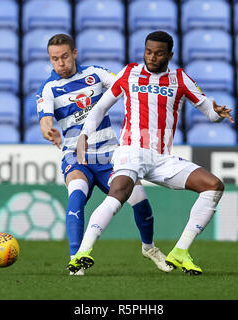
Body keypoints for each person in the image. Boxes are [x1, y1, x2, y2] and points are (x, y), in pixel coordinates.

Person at [68, 30, 234, 275]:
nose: (152, 58)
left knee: (214, 186)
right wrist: (84, 134)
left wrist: (218, 114)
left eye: (159, 54)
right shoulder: (129, 73)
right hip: (131, 150)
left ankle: (180, 251)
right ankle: (82, 253)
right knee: (119, 193)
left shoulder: (180, 79)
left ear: (170, 55)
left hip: (162, 158)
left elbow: (209, 111)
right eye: (148, 52)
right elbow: (101, 107)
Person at [36, 34, 171, 275]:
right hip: (76, 156)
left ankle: (149, 248)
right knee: (76, 193)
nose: (61, 63)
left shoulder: (96, 74)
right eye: (55, 59)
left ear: (74, 54)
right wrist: (49, 131)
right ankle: (76, 261)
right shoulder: (48, 88)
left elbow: (128, 85)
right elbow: (45, 119)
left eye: (65, 57)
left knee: (139, 199)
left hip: (111, 156)